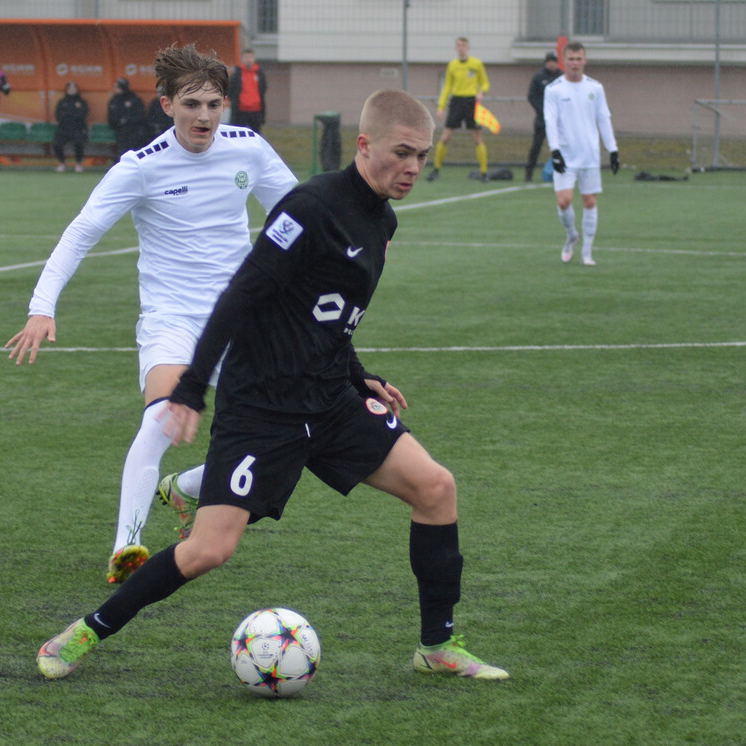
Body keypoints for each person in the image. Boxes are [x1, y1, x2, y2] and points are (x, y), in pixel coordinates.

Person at [34, 88, 509, 684]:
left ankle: (437, 645)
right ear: (364, 146)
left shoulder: (382, 218)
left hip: (330, 398)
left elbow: (327, 314)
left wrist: (362, 374)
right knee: (209, 550)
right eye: (402, 152)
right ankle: (85, 631)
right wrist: (191, 389)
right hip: (262, 405)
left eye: (422, 155)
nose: (413, 167)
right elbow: (242, 295)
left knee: (436, 488)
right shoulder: (308, 209)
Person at [5, 44, 298, 585]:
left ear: (226, 104)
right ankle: (128, 545)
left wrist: (357, 234)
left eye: (213, 104)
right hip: (174, 321)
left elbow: (299, 209)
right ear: (167, 105)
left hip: (242, 320)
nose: (203, 116)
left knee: (284, 440)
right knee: (160, 419)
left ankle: (185, 488)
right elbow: (82, 231)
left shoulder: (248, 149)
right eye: (191, 104)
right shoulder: (140, 167)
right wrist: (41, 307)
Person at [543, 41, 619, 266]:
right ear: (563, 61)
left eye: (579, 59)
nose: (575, 63)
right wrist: (554, 150)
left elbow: (603, 119)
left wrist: (613, 149)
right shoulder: (553, 90)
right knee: (564, 201)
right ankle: (571, 236)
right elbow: (551, 121)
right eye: (571, 59)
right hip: (565, 155)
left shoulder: (595, 88)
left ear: (585, 60)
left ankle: (587, 252)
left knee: (589, 201)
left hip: (589, 155)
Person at [428, 37, 489, 182]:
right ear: (456, 48)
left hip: (471, 102)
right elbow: (447, 87)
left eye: (463, 45)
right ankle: (436, 169)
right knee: (445, 137)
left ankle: (484, 172)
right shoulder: (452, 65)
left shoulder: (476, 64)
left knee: (477, 138)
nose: (461, 48)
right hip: (456, 102)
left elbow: (485, 83)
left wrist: (482, 92)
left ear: (468, 47)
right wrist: (441, 107)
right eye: (458, 45)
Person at [524, 52, 562, 183]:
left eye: (554, 61)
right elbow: (531, 96)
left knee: (560, 147)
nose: (552, 64)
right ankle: (528, 173)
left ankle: (561, 173)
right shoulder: (539, 77)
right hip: (542, 120)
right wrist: (543, 111)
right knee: (536, 146)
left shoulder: (561, 77)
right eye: (549, 61)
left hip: (558, 121)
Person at [106, 78, 148, 158]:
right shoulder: (114, 100)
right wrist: (116, 123)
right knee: (121, 149)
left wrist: (128, 120)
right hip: (119, 130)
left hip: (133, 130)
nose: (115, 89)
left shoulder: (134, 99)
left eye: (118, 87)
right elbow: (111, 114)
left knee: (132, 149)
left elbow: (139, 115)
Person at [227, 49, 266, 133]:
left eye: (250, 57)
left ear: (254, 59)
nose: (248, 60)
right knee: (239, 134)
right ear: (242, 59)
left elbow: (263, 88)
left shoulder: (259, 73)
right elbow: (231, 89)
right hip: (240, 111)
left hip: (256, 111)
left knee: (255, 135)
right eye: (246, 57)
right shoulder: (237, 73)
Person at [53, 80, 88, 173]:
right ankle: (62, 163)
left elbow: (82, 114)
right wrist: (70, 115)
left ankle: (78, 163)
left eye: (74, 88)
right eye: (70, 88)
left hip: (78, 128)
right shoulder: (62, 102)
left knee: (78, 143)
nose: (72, 90)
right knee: (57, 144)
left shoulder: (81, 102)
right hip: (63, 128)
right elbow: (58, 115)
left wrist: (70, 115)